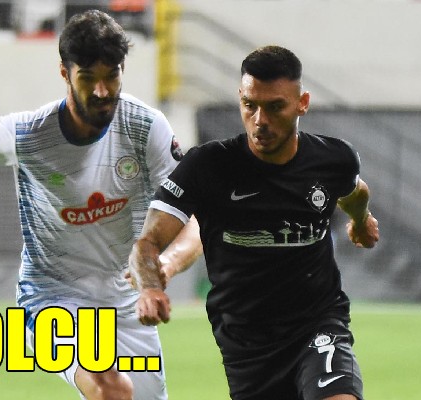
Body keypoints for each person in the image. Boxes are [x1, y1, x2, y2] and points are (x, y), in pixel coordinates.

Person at [0, 10, 202, 400]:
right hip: (53, 300)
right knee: (111, 390)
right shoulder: (29, 135)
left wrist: (164, 265)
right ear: (65, 73)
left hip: (127, 303)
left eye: (112, 76)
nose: (102, 92)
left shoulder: (145, 127)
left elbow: (191, 218)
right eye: (88, 78)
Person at [129, 45, 380, 400]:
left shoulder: (333, 159)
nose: (260, 120)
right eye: (250, 105)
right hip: (247, 344)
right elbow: (147, 243)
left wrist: (361, 220)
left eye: (275, 107)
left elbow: (355, 192)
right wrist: (150, 287)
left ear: (302, 103)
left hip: (317, 323)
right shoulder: (208, 166)